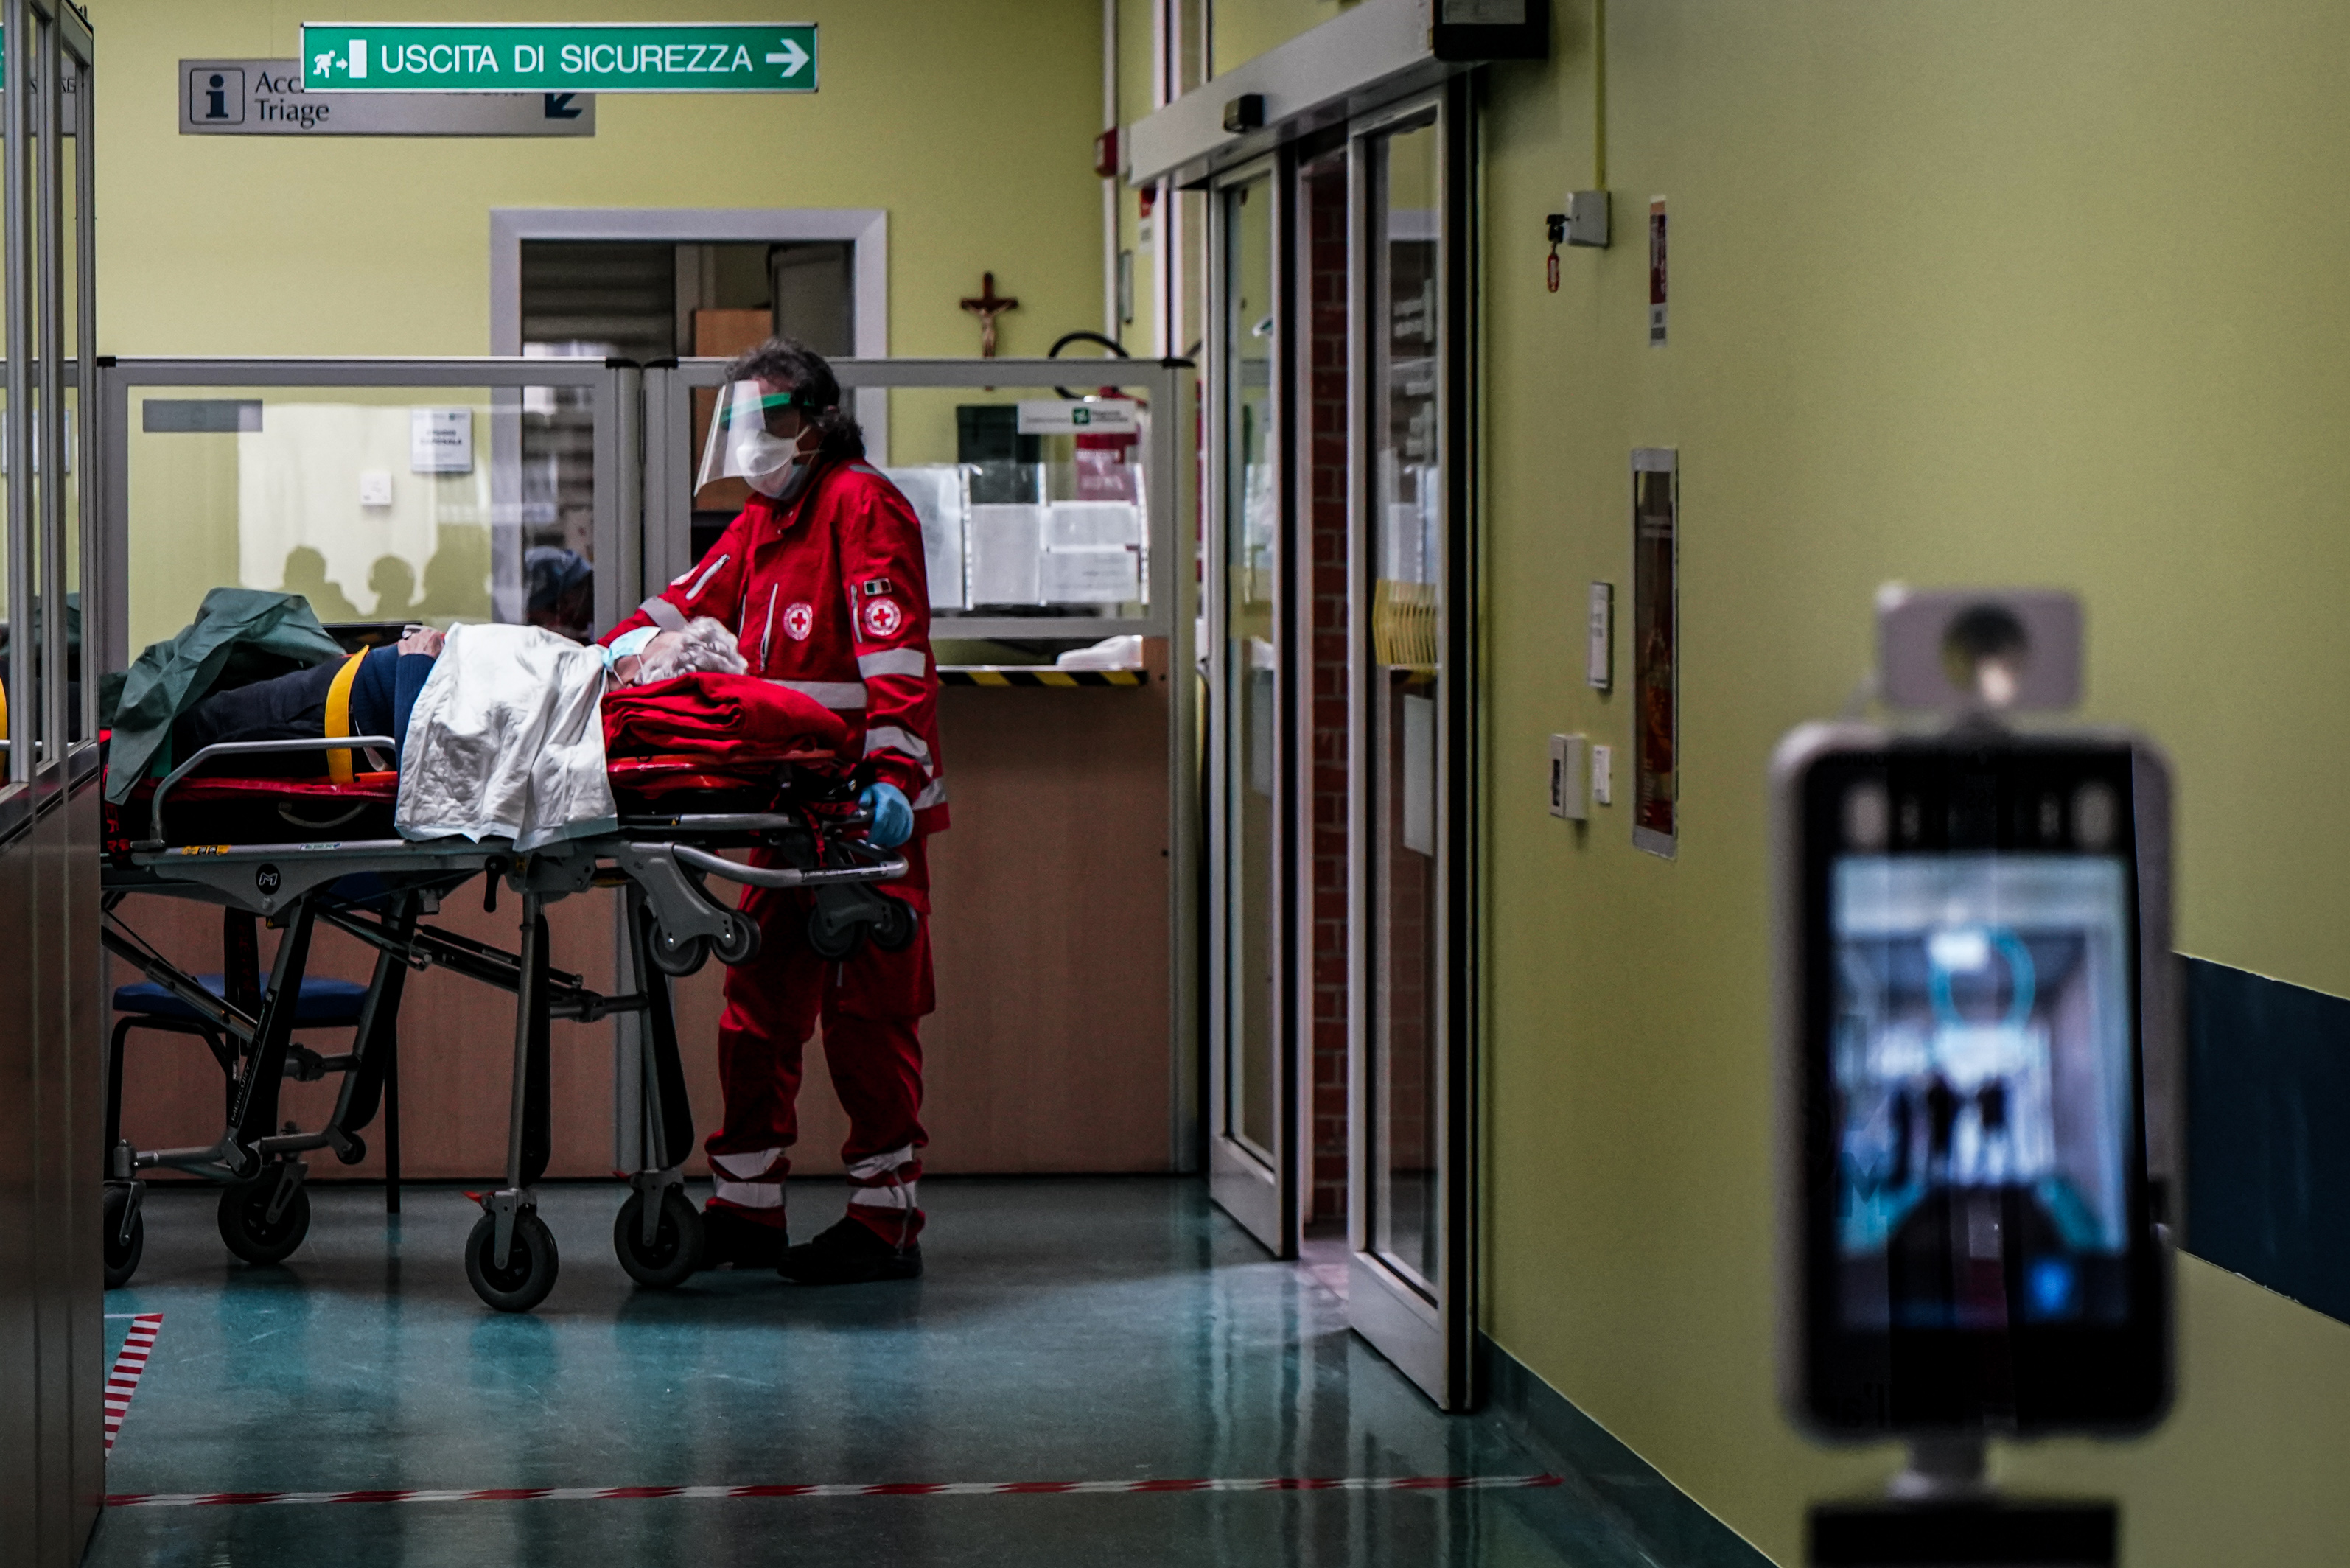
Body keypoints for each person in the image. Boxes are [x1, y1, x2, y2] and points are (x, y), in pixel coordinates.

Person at [599, 336, 945, 1287]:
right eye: (742, 425)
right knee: (758, 1008)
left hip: (864, 809)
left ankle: (887, 1218)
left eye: (767, 423)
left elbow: (896, 657)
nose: (753, 443)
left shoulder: (859, 504)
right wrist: (589, 663)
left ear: (815, 424)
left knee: (869, 1013)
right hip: (788, 804)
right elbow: (676, 609)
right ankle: (746, 1204)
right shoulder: (765, 521)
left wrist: (894, 777)